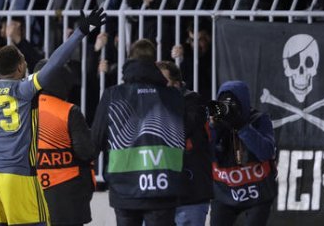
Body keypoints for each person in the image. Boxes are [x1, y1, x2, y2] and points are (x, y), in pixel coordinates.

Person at [0, 7, 106, 226]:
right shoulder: (24, 90)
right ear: (21, 66)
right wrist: (80, 32)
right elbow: (55, 63)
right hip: (19, 177)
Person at [91, 39, 185, 226]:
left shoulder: (113, 95)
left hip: (124, 189)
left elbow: (95, 141)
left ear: (129, 59)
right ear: (153, 62)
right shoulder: (173, 96)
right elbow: (187, 131)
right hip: (163, 186)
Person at [34, 58, 97, 226]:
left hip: (29, 191)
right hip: (66, 195)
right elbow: (86, 151)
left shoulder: (20, 111)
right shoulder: (68, 111)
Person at [209, 80, 276, 226]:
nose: (228, 109)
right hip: (225, 192)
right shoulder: (216, 122)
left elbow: (266, 152)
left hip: (258, 192)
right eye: (223, 104)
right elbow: (205, 154)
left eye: (232, 104)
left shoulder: (259, 119)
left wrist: (242, 127)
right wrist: (213, 127)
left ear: (243, 104)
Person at [156, 60, 212, 226]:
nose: (159, 87)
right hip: (159, 197)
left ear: (178, 84)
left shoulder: (195, 103)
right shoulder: (150, 106)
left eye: (163, 82)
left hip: (191, 195)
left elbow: (180, 128)